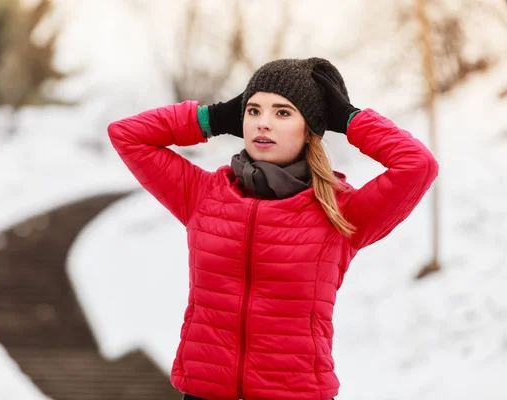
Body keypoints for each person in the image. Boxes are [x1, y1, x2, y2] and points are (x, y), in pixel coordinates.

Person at [107, 57, 439, 400]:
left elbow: (417, 165)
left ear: (309, 128)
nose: (263, 123)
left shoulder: (339, 213)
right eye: (253, 110)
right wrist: (213, 118)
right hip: (204, 392)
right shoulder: (203, 196)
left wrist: (350, 120)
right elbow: (127, 134)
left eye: (282, 112)